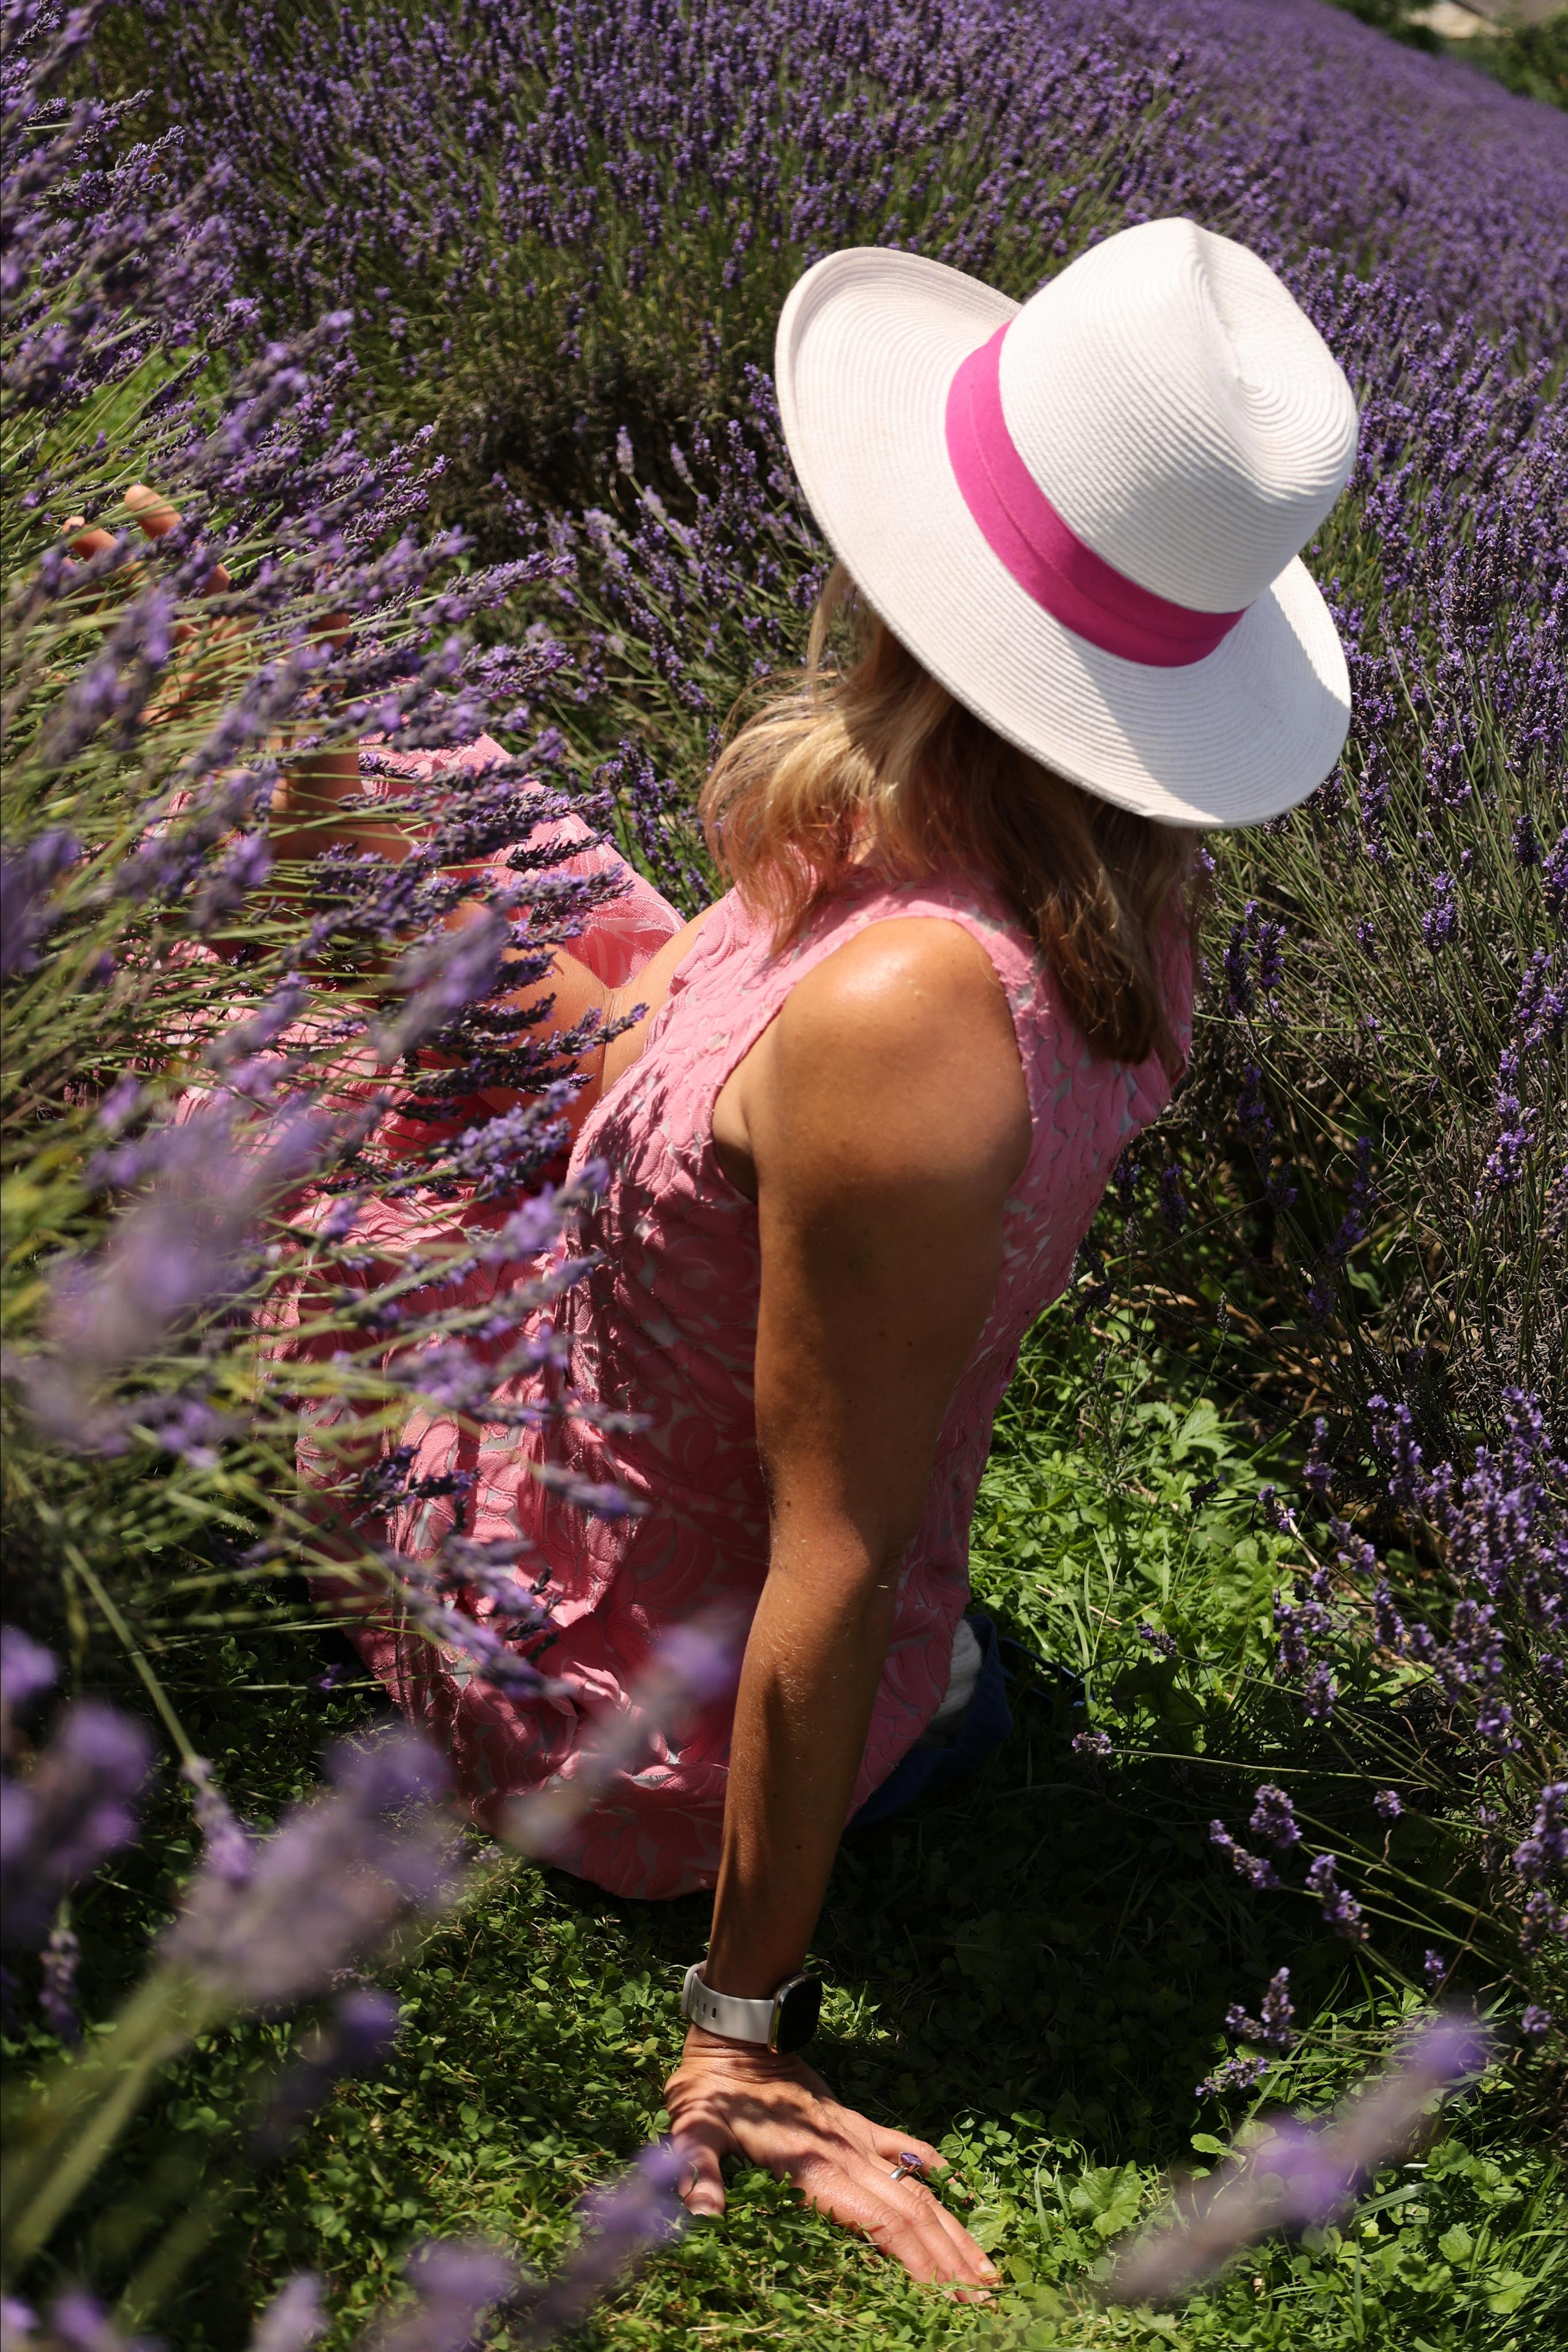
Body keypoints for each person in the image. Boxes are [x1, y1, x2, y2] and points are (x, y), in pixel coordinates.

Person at [273, 219, 1361, 2288]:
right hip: (680, 1375)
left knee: (231, 1092)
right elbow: (673, 1037)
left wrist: (740, 2032)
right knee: (438, 807)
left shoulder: (907, 1018)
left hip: (610, 1661)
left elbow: (828, 1549)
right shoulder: (1087, 872)